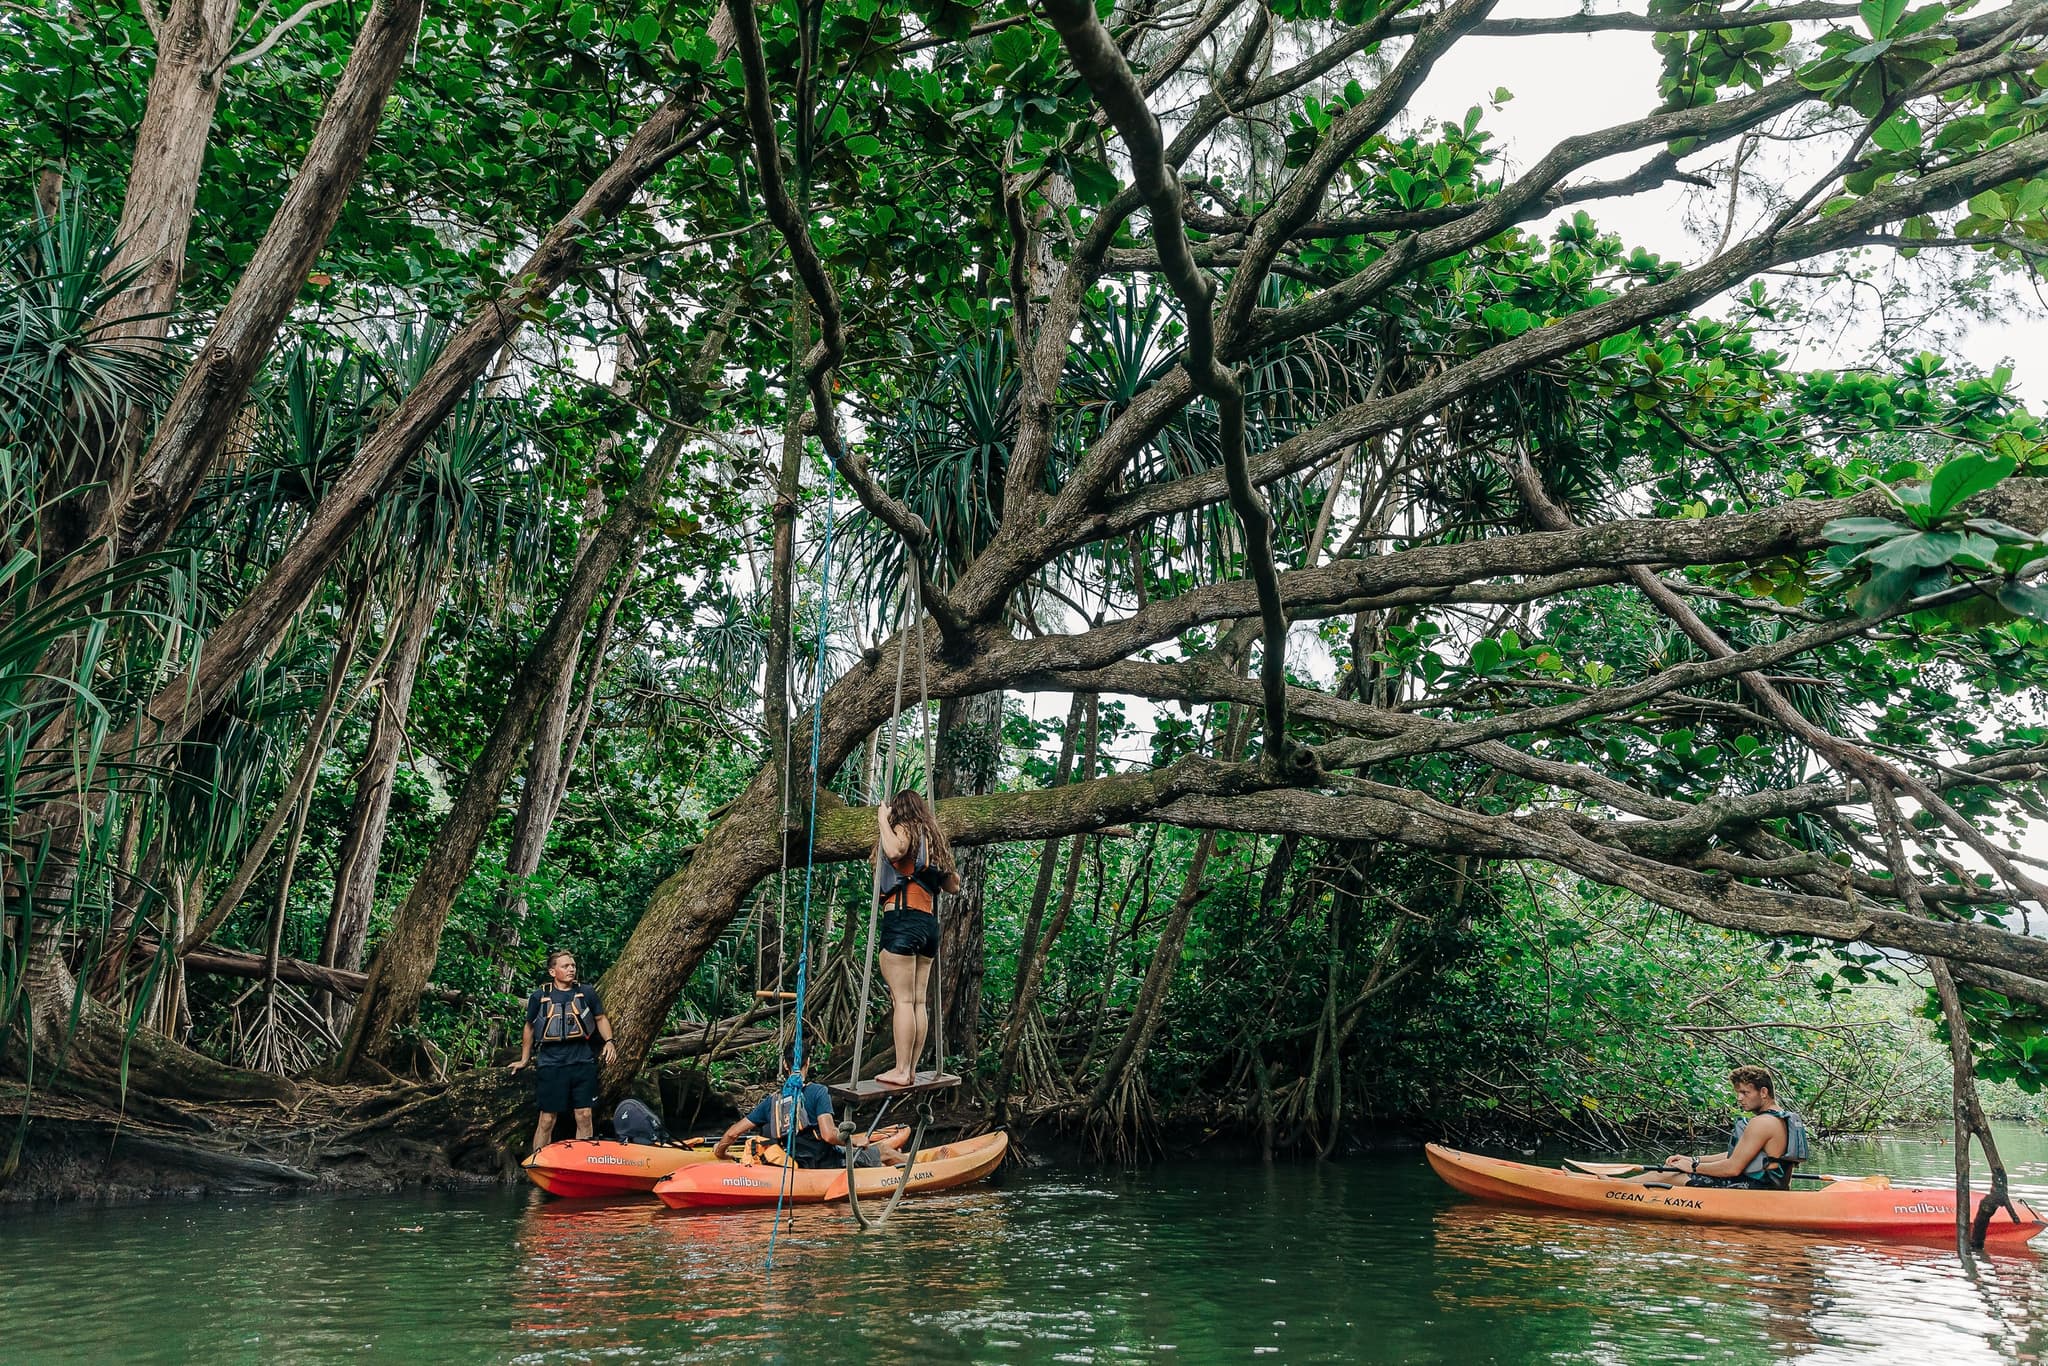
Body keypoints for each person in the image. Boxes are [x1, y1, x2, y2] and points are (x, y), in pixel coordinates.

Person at [872, 789, 961, 1087]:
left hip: (903, 919)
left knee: (903, 1000)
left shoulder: (903, 829)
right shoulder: (932, 840)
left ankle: (901, 1070)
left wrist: (882, 820)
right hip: (928, 925)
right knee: (918, 1001)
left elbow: (895, 851)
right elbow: (953, 885)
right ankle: (909, 1069)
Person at [508, 948, 616, 1153]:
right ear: (552, 971)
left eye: (572, 965)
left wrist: (609, 1041)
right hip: (551, 1063)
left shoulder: (586, 992)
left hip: (582, 1062)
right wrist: (524, 1059)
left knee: (584, 1115)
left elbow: (600, 1018)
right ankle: (538, 1161)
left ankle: (582, 1161)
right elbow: (529, 1027)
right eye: (565, 966)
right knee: (547, 1118)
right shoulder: (540, 996)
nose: (571, 969)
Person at [711, 1063, 911, 1169]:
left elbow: (732, 1133)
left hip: (793, 1160)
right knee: (884, 1150)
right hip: (825, 1163)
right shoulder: (817, 1092)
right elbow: (829, 1136)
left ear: (785, 1065)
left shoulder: (772, 1101)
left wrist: (720, 1153)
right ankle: (921, 1172)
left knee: (876, 1154)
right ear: (807, 1063)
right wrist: (855, 1140)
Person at [1650, 1064, 1810, 1190]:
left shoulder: (1762, 1122)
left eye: (1745, 1093)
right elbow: (1738, 1155)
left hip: (1751, 1190)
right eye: (1737, 1093)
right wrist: (1693, 1160)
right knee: (1671, 1172)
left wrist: (1692, 1167)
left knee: (1664, 1175)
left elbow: (1732, 1168)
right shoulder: (1780, 1118)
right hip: (1770, 1188)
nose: (1739, 1098)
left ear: (1763, 1092)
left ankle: (1632, 1196)